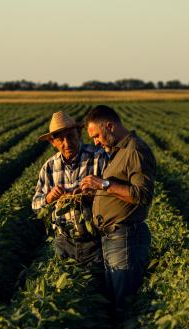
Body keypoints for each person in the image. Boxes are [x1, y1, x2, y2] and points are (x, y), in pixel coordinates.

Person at [80, 105, 156, 311]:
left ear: (110, 126)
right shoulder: (117, 151)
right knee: (115, 298)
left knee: (124, 302)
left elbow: (143, 195)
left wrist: (103, 184)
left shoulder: (135, 151)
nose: (95, 142)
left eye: (96, 136)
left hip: (126, 237)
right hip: (113, 237)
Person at [32, 111, 108, 266]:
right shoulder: (49, 167)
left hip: (96, 241)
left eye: (70, 136)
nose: (67, 143)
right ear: (53, 142)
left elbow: (113, 190)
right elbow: (35, 205)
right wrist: (49, 198)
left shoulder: (98, 157)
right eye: (60, 139)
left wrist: (94, 194)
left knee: (96, 285)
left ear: (79, 133)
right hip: (64, 242)